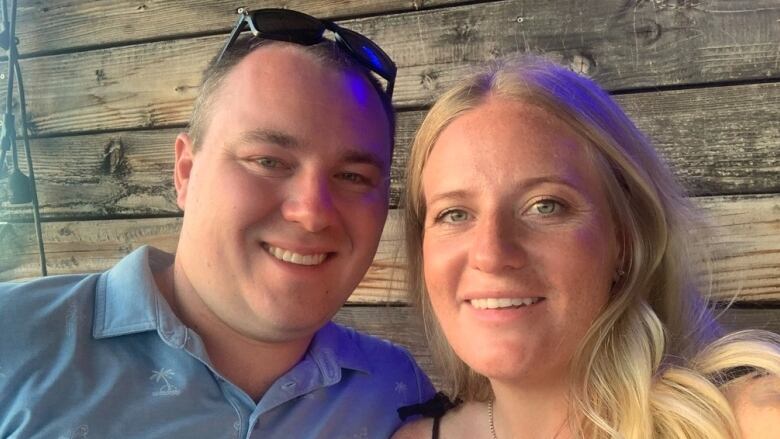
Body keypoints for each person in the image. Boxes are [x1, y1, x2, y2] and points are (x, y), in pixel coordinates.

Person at [0, 8, 434, 438]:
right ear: (185, 173)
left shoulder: (397, 395)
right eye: (268, 161)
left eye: (352, 176)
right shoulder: (12, 341)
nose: (312, 211)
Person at [393, 56, 780, 439]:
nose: (491, 255)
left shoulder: (748, 421)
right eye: (455, 214)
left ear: (625, 241)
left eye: (545, 206)